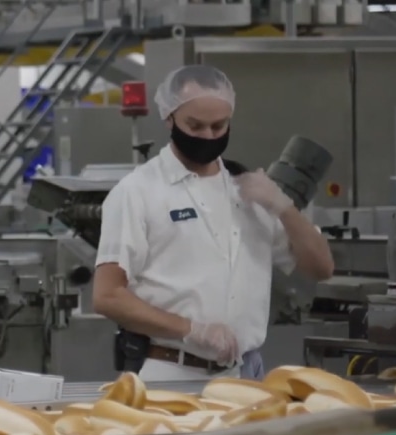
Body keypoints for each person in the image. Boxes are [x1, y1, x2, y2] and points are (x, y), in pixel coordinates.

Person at [91, 65, 335, 381]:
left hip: (246, 374)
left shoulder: (247, 189)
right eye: (195, 126)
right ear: (169, 117)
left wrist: (283, 206)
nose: (208, 136)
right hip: (172, 371)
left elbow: (321, 268)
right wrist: (191, 330)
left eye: (219, 126)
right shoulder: (138, 192)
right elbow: (107, 295)